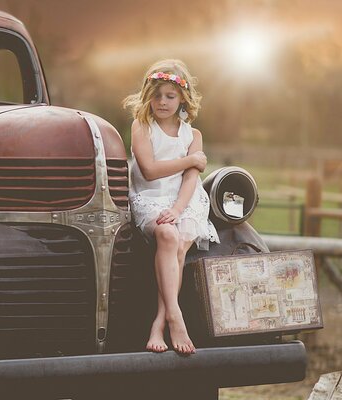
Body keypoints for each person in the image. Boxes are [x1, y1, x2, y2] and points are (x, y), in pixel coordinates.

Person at [123, 59, 219, 355]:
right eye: (156, 95)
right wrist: (190, 160)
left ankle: (159, 324)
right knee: (168, 236)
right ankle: (176, 318)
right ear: (147, 96)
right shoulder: (142, 126)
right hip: (149, 197)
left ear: (183, 99)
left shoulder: (194, 135)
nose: (162, 102)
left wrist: (178, 210)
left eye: (170, 96)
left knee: (178, 246)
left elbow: (191, 181)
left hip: (185, 201)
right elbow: (149, 170)